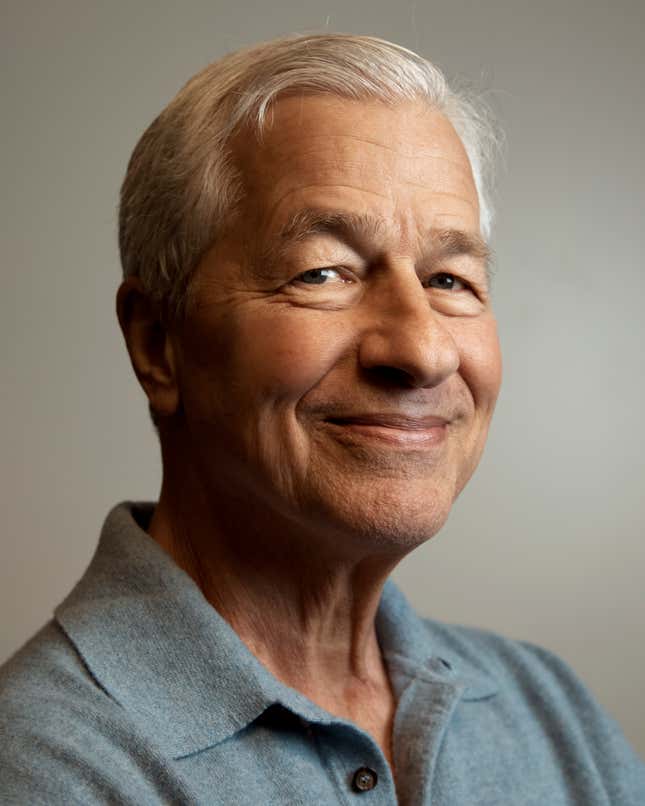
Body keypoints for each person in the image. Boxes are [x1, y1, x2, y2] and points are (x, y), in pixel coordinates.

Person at [1, 33, 643, 806]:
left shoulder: (550, 711)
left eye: (449, 278)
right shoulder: (42, 765)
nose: (421, 349)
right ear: (157, 345)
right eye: (322, 273)